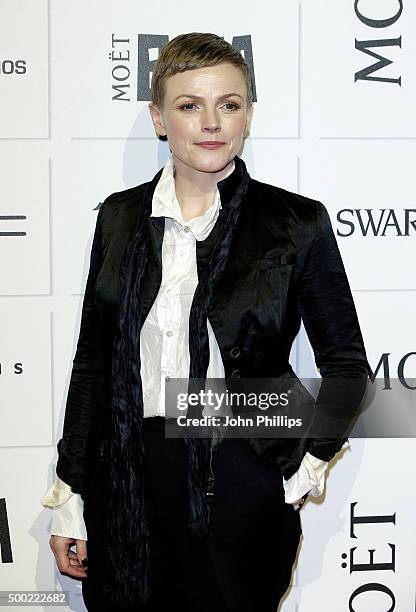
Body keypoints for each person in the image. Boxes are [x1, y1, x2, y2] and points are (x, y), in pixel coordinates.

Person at [40, 32, 372, 612]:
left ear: (248, 115)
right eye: (190, 105)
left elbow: (346, 367)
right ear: (159, 118)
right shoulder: (119, 219)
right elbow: (93, 362)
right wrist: (71, 491)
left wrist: (305, 468)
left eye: (230, 103)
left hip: (240, 475)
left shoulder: (295, 224)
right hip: (126, 480)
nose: (212, 122)